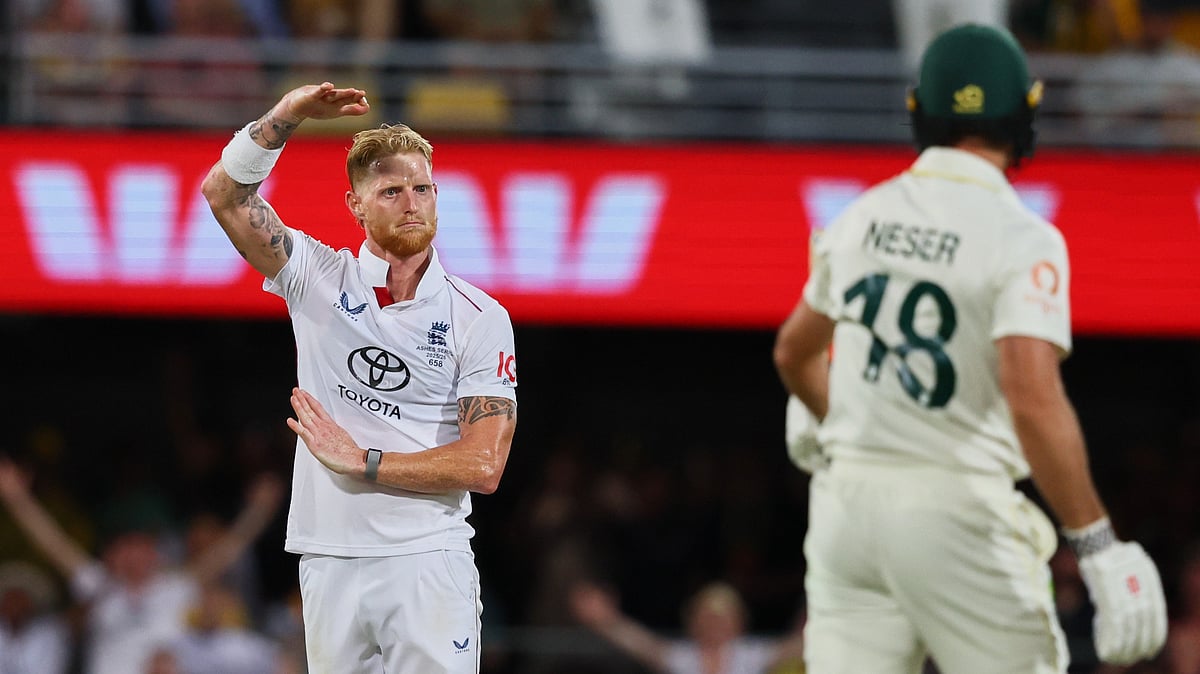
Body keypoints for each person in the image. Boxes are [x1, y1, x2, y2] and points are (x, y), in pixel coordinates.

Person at [773, 23, 1168, 673]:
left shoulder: (860, 215)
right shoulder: (1022, 238)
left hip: (846, 511)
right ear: (1025, 114)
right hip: (954, 511)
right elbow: (1031, 396)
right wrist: (1098, 542)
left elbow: (794, 352)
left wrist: (835, 421)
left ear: (917, 112)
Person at [200, 82, 519, 673]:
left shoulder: (479, 317)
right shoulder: (316, 276)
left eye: (422, 188)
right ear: (356, 205)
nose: (411, 202)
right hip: (328, 557)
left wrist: (364, 459)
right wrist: (289, 113)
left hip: (427, 558)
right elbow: (223, 194)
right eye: (391, 190)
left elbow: (484, 465)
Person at [0, 459, 283, 674]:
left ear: (156, 554)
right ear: (112, 554)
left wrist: (260, 508)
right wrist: (16, 497)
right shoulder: (100, 584)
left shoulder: (177, 584)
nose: (133, 555)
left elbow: (229, 548)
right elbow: (54, 544)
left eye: (142, 547)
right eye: (125, 547)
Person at [569, 580, 805, 674]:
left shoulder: (750, 655)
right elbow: (642, 644)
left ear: (737, 624)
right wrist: (605, 620)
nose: (715, 627)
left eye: (722, 620)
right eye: (708, 619)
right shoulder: (684, 658)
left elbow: (800, 643)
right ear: (694, 623)